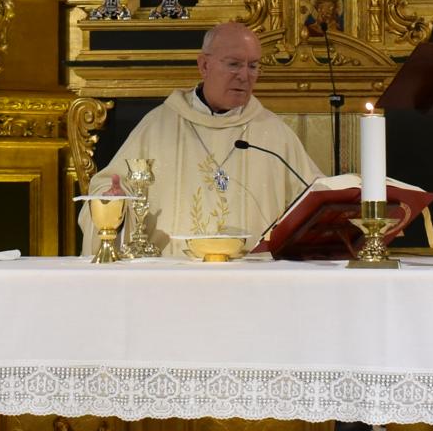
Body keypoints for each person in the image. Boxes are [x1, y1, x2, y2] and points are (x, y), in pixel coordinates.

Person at [79, 22, 324, 257]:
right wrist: (113, 199)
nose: (244, 76)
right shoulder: (161, 125)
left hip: (253, 275)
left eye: (253, 66)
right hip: (175, 276)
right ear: (204, 65)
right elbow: (109, 186)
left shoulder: (272, 132)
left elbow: (314, 199)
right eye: (234, 64)